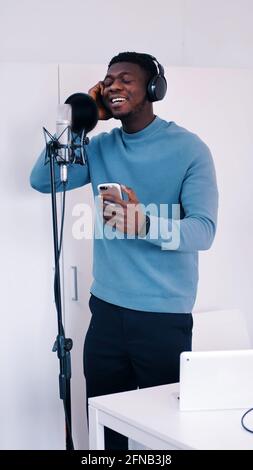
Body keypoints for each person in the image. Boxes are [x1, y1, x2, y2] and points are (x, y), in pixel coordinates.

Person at [30, 52, 218, 450]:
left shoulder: (189, 148)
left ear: (153, 88)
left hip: (163, 320)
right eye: (108, 80)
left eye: (126, 79)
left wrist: (144, 223)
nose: (115, 86)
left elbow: (204, 230)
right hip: (107, 314)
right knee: (105, 429)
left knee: (163, 435)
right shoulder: (100, 146)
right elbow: (43, 181)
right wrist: (81, 123)